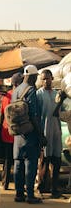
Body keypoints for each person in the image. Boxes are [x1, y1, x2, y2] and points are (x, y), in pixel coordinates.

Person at [12, 65, 46, 204]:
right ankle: (30, 195)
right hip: (29, 133)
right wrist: (41, 135)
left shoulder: (16, 90)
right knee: (30, 163)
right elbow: (33, 115)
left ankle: (19, 194)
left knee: (18, 163)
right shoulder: (31, 90)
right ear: (32, 76)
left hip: (17, 133)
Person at [36, 69, 63, 198]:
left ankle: (55, 188)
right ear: (41, 81)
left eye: (48, 78)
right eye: (44, 79)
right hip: (44, 131)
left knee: (56, 160)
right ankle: (41, 187)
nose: (46, 81)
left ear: (52, 78)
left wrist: (61, 102)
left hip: (56, 131)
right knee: (44, 161)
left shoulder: (57, 94)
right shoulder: (38, 94)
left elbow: (59, 113)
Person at [0, 72, 23, 190]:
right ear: (18, 83)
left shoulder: (6, 96)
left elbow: (1, 115)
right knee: (18, 159)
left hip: (6, 131)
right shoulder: (20, 95)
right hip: (17, 132)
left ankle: (5, 183)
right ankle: (20, 185)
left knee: (8, 160)